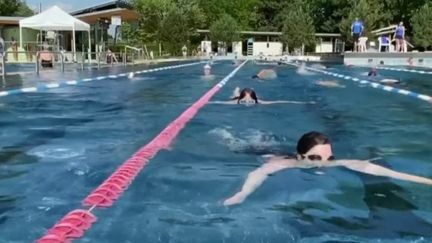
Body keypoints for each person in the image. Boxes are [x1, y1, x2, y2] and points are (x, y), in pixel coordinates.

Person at [223, 131, 432, 206]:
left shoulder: (327, 162)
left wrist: (425, 181)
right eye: (315, 158)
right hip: (264, 153)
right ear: (300, 157)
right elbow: (259, 173)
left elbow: (373, 168)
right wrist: (242, 195)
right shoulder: (287, 163)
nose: (323, 163)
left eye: (329, 157)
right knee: (241, 146)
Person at [210, 87, 314, 106]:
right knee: (234, 95)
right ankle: (236, 92)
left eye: (249, 100)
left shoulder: (258, 102)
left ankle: (240, 91)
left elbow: (278, 101)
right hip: (237, 97)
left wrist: (303, 103)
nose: (247, 102)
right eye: (244, 100)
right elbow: (217, 102)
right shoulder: (236, 102)